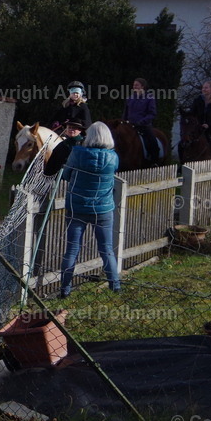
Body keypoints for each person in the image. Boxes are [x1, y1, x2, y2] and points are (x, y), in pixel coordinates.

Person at [59, 121, 121, 298]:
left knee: (72, 249)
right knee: (106, 249)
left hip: (77, 207)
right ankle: (115, 286)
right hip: (103, 209)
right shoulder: (113, 157)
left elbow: (66, 176)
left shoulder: (77, 153)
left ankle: (65, 289)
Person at [122, 77, 158, 162]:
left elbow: (152, 114)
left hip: (144, 126)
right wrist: (123, 122)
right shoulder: (129, 98)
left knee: (152, 141)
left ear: (142, 86)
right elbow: (125, 114)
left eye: (136, 85)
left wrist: (141, 122)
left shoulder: (150, 98)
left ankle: (154, 160)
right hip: (130, 126)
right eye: (134, 85)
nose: (134, 86)